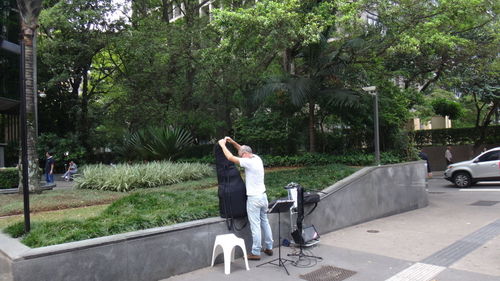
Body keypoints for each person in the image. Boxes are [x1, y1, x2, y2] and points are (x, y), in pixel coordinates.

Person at [218, 137, 273, 261]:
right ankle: (269, 247)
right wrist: (232, 142)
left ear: (245, 155)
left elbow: (230, 158)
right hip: (264, 197)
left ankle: (255, 252)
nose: (241, 157)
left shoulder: (248, 162)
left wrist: (223, 145)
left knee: (255, 225)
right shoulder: (257, 158)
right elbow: (242, 149)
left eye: (241, 155)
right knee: (265, 222)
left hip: (254, 199)